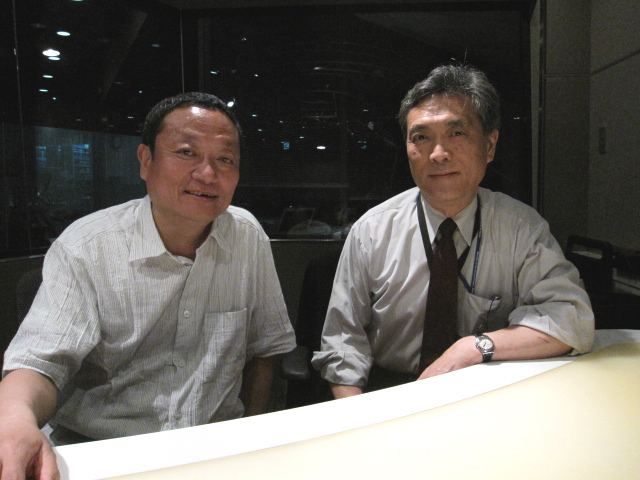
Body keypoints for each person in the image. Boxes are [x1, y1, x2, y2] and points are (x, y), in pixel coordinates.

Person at [0, 92, 296, 479]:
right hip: (103, 451)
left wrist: (251, 441)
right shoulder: (87, 248)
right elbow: (39, 363)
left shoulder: (247, 237)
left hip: (215, 450)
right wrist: (14, 420)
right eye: (187, 152)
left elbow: (265, 348)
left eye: (225, 159)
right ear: (145, 161)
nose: (208, 174)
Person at [312, 63, 595, 399]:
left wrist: (473, 348)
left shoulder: (521, 227)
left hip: (488, 391)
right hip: (390, 391)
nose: (437, 154)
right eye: (421, 137)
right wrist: (363, 418)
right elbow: (342, 346)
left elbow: (572, 319)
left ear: (490, 146)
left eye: (456, 133)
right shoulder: (371, 231)